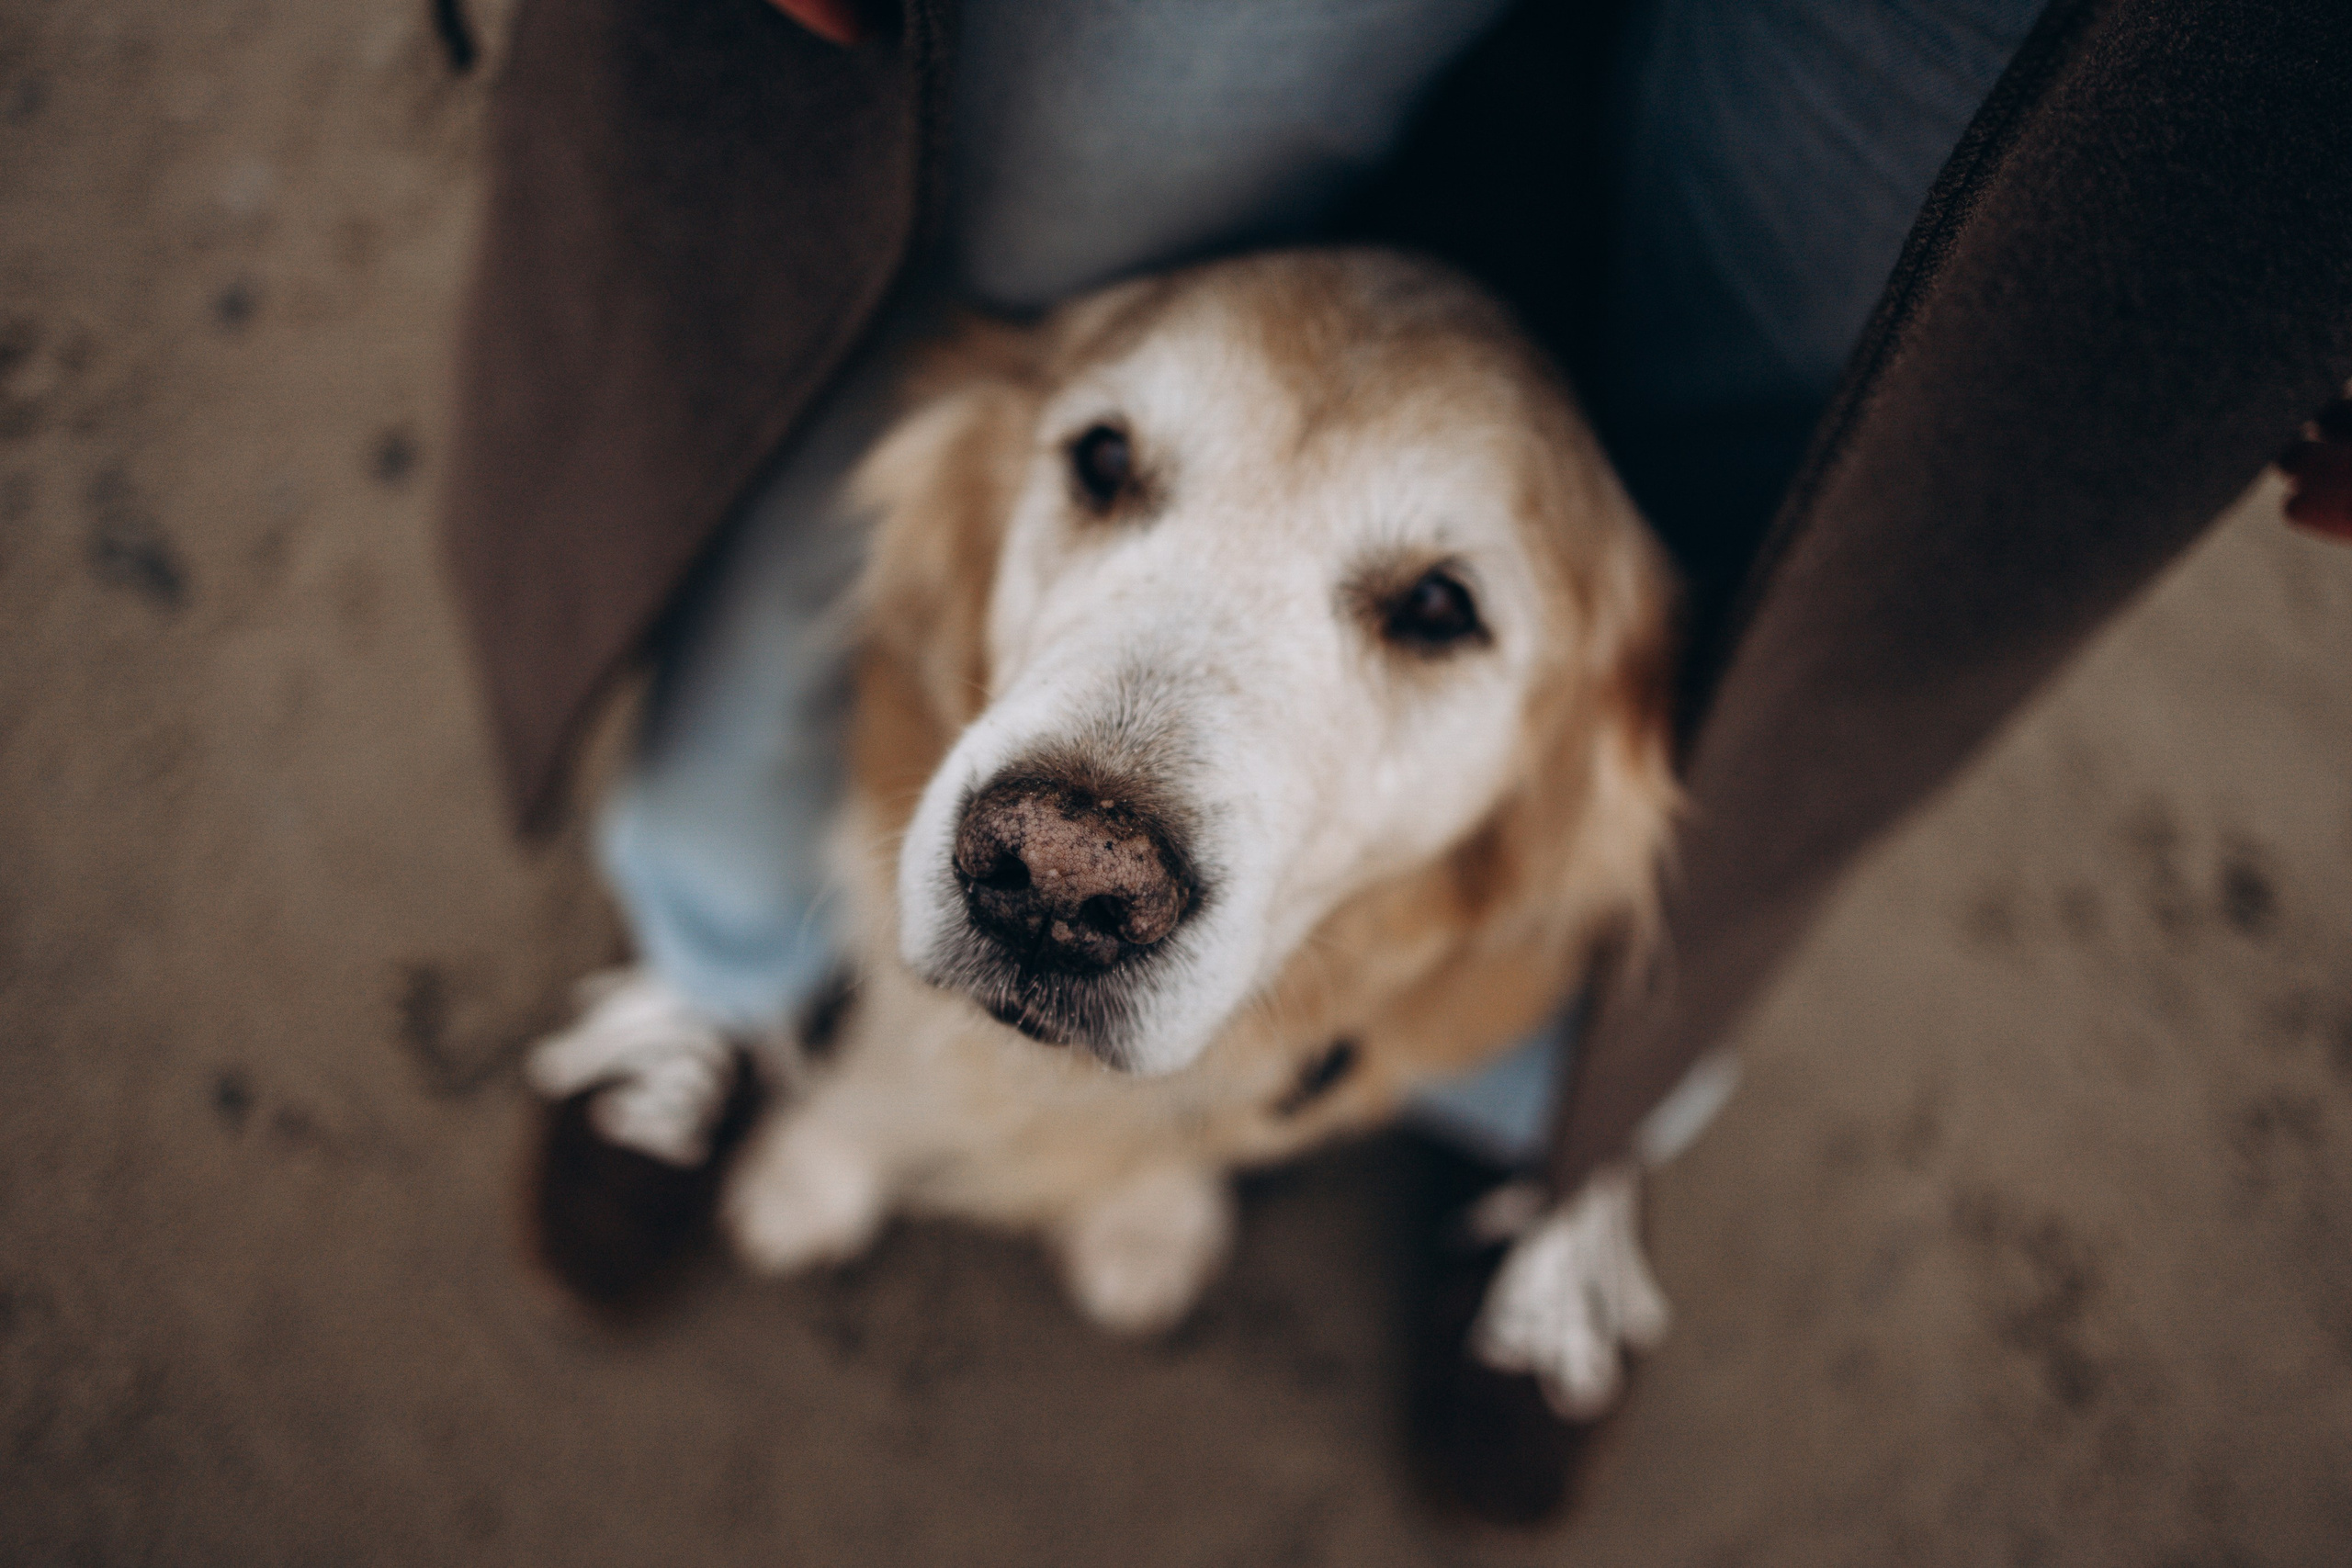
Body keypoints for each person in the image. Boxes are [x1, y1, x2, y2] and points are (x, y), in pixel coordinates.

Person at [442, 0, 2352, 1526]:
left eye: (1432, 608)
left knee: (1840, 471)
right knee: (988, 212)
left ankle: (1552, 1127)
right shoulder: (955, 539)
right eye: (1106, 469)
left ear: (1551, 778)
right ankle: (727, 965)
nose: (1081, 822)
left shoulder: (1572, 811)